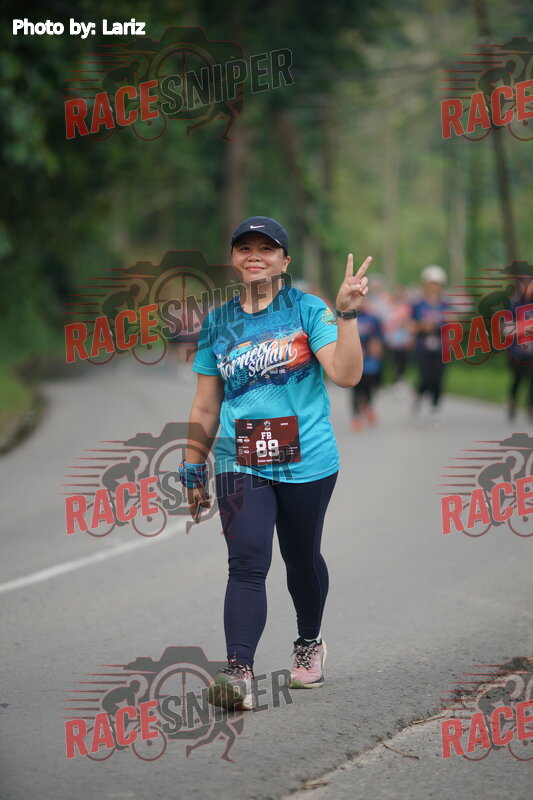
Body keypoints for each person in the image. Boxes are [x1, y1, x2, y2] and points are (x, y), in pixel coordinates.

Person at [180, 216, 371, 711]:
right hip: (240, 458)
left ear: (284, 261)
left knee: (301, 558)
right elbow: (206, 404)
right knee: (246, 562)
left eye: (266, 248)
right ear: (233, 258)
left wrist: (347, 314)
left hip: (308, 458)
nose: (255, 255)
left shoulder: (309, 309)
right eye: (244, 247)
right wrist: (192, 466)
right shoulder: (218, 322)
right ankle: (238, 673)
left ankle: (309, 642)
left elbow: (346, 375)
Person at [410, 265, 451, 424]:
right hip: (423, 347)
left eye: (437, 284)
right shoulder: (418, 304)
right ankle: (419, 395)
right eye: (431, 283)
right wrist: (423, 326)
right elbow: (410, 325)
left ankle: (434, 409)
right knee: (426, 378)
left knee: (438, 379)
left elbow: (455, 325)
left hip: (442, 347)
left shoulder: (446, 305)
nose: (434, 287)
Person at [350, 298, 384, 431]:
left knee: (369, 386)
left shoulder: (373, 319)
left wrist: (377, 350)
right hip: (353, 359)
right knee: (356, 388)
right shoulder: (348, 317)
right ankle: (357, 417)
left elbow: (378, 337)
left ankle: (368, 407)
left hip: (369, 360)